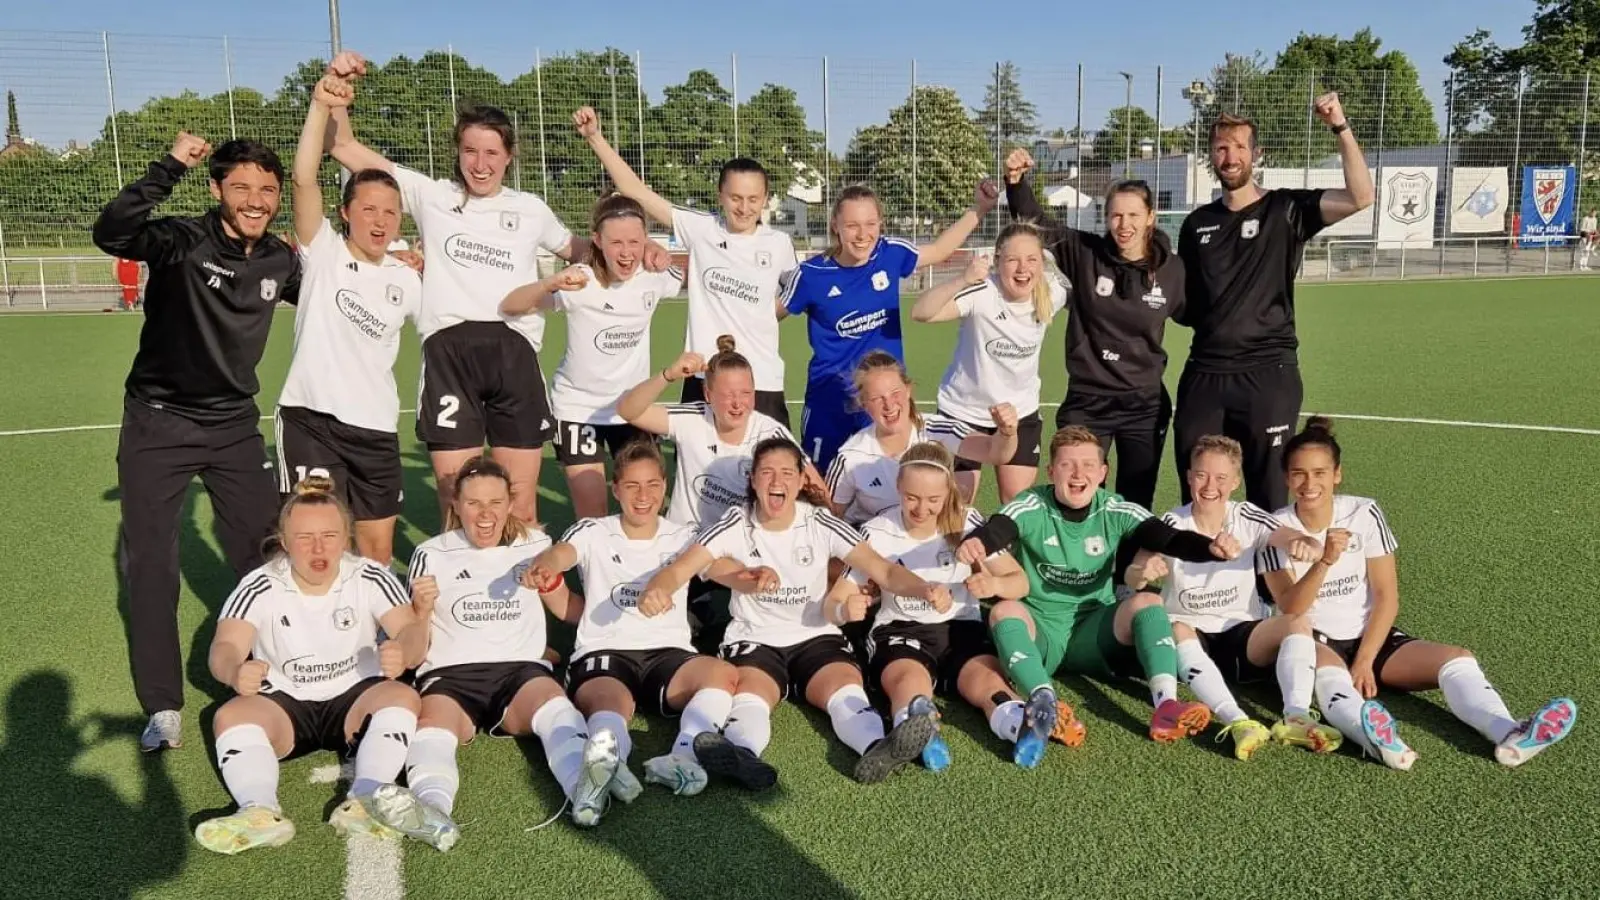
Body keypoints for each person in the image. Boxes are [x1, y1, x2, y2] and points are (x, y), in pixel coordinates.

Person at [320, 55, 667, 528]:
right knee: (455, 499)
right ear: (458, 152)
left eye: (491, 153)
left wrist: (640, 248)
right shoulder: (431, 195)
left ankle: (520, 599)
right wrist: (335, 93)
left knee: (520, 503)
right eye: (470, 151)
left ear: (509, 156)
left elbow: (582, 247)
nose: (480, 164)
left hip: (514, 352)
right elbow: (340, 146)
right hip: (450, 353)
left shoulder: (530, 209)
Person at [92, 130, 301, 753]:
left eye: (266, 189)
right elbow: (113, 231)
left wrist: (393, 260)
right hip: (157, 424)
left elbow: (334, 294)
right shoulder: (182, 239)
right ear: (216, 189)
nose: (255, 199)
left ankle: (283, 671)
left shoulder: (280, 260)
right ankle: (163, 704)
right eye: (241, 187)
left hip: (235, 426)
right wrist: (170, 165)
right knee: (153, 565)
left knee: (267, 555)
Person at [1258, 417, 1577, 770]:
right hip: (1312, 639)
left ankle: (1511, 734)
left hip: (1370, 638)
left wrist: (1365, 660)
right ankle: (1382, 745)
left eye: (1320, 473)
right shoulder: (1274, 530)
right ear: (1287, 479)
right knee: (1332, 681)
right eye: (1299, 474)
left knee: (1456, 659)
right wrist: (1325, 561)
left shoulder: (1364, 512)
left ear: (1337, 474)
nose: (1309, 483)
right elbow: (1291, 609)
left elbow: (1386, 594)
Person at [640, 437, 953, 785]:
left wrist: (923, 588)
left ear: (802, 479)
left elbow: (885, 571)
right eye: (768, 472)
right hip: (755, 638)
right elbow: (682, 567)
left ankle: (877, 748)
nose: (777, 481)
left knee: (844, 690)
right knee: (752, 696)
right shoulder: (734, 522)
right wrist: (658, 588)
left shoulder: (819, 522)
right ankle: (742, 755)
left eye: (787, 472)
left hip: (815, 636)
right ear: (753, 479)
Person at [368, 457, 615, 843]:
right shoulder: (430, 554)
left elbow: (565, 609)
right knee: (432, 731)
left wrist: (553, 583)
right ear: (455, 505)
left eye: (495, 503)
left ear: (511, 503)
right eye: (473, 504)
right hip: (450, 675)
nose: (485, 515)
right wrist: (421, 610)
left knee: (555, 708)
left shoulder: (537, 545)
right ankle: (433, 812)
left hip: (520, 672)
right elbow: (415, 653)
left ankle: (584, 792)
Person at [958, 426, 1236, 767]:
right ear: (1051, 471)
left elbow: (1168, 538)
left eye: (1089, 465)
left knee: (1148, 601)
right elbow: (998, 527)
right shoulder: (1031, 504)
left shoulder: (1115, 509)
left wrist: (1210, 547)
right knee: (1003, 612)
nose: (1078, 474)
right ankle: (1044, 703)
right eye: (1067, 465)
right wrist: (977, 543)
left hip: (1096, 631)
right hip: (1042, 631)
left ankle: (1165, 706)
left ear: (1103, 473)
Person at [191, 478, 428, 855]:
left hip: (355, 700)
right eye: (304, 538)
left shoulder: (370, 576)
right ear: (284, 543)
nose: (318, 548)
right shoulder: (259, 584)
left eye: (330, 535)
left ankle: (366, 799)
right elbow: (224, 646)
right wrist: (235, 671)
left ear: (346, 538)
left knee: (402, 697)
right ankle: (259, 811)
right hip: (285, 703)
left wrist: (404, 650)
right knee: (230, 716)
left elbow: (412, 631)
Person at [1172, 94, 1374, 512]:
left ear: (1256, 153)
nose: (1230, 157)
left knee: (1267, 494)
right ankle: (1201, 576)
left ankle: (1267, 579)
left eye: (1240, 147)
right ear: (1211, 155)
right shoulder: (1196, 225)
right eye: (1222, 148)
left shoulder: (1286, 209)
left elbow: (1361, 196)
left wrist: (1339, 124)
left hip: (1268, 373)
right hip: (1205, 374)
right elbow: (1188, 306)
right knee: (1198, 491)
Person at [525, 440, 745, 807]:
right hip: (606, 651)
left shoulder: (683, 535)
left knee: (722, 675)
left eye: (652, 485)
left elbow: (718, 567)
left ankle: (683, 757)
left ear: (664, 485)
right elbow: (562, 553)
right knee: (609, 705)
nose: (643, 496)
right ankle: (602, 769)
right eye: (632, 486)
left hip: (668, 655)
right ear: (615, 489)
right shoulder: (592, 530)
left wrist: (751, 575)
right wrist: (547, 563)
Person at [853, 441, 1083, 772]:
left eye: (933, 500)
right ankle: (919, 724)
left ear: (948, 492)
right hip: (900, 629)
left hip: (960, 626)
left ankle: (1022, 724)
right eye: (912, 498)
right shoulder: (878, 531)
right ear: (898, 487)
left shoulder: (969, 523)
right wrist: (858, 599)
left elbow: (1019, 582)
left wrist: (992, 585)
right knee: (908, 680)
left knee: (988, 684)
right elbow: (856, 585)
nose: (921, 509)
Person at [274, 76, 420, 565]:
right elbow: (303, 179)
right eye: (369, 210)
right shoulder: (324, 253)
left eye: (391, 213)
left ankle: (374, 641)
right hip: (311, 420)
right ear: (345, 213)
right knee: (317, 544)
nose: (380, 222)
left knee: (377, 550)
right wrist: (321, 106)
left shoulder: (409, 276)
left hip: (376, 428)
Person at [575, 106, 798, 425]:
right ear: (721, 195)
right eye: (735, 198)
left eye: (753, 199)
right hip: (702, 372)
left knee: (771, 467)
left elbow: (791, 298)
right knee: (699, 467)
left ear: (765, 199)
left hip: (760, 378)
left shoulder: (779, 244)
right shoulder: (701, 228)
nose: (744, 207)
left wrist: (760, 314)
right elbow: (635, 191)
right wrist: (595, 138)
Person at [1126, 435, 1339, 760]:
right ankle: (1237, 721)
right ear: (1188, 477)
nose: (1210, 486)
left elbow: (1285, 534)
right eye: (1201, 475)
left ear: (1236, 482)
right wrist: (1143, 572)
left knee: (1296, 621)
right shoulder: (1171, 522)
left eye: (1221, 478)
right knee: (1177, 627)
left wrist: (1306, 544)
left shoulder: (1247, 516)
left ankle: (1296, 716)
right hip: (1192, 639)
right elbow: (1134, 571)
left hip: (1243, 639)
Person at [999, 155, 1186, 510]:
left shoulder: (1172, 270)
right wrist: (1016, 180)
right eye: (1116, 215)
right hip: (1087, 401)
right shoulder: (1085, 254)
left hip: (1143, 404)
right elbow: (1035, 223)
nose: (1124, 224)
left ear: (1151, 218)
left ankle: (1126, 566)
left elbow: (1197, 314)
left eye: (1133, 215)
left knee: (1135, 503)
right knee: (1075, 497)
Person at [779, 180, 999, 471]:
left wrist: (980, 209)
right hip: (828, 399)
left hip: (885, 399)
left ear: (880, 224)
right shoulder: (810, 274)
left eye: (870, 224)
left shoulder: (889, 253)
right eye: (852, 225)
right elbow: (766, 318)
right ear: (836, 226)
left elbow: (940, 250)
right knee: (821, 484)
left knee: (888, 482)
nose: (862, 235)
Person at [501, 194, 685, 519]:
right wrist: (549, 283)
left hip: (632, 410)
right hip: (578, 411)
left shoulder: (655, 277)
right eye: (616, 242)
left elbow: (694, 273)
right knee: (594, 514)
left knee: (645, 508)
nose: (627, 253)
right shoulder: (579, 281)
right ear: (597, 240)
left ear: (646, 240)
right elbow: (511, 305)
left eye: (635, 242)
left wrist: (663, 254)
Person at [910, 221, 1068, 504]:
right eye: (1012, 260)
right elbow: (921, 313)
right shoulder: (982, 293)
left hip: (1020, 414)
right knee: (957, 503)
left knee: (1017, 503)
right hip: (963, 413)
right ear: (997, 261)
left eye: (1032, 259)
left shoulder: (1052, 293)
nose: (1023, 269)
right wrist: (963, 279)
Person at [617, 337, 820, 529]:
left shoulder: (770, 433)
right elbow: (628, 410)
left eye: (746, 393)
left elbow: (815, 486)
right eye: (727, 395)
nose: (737, 404)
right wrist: (668, 375)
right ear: (707, 394)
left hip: (739, 546)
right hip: (684, 540)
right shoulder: (691, 418)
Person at [828, 351, 1018, 522]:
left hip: (932, 540)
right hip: (878, 550)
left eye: (895, 393)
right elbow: (830, 518)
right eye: (877, 399)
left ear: (908, 390)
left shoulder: (935, 429)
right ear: (863, 403)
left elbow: (995, 453)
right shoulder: (850, 457)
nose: (889, 405)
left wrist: (1007, 433)